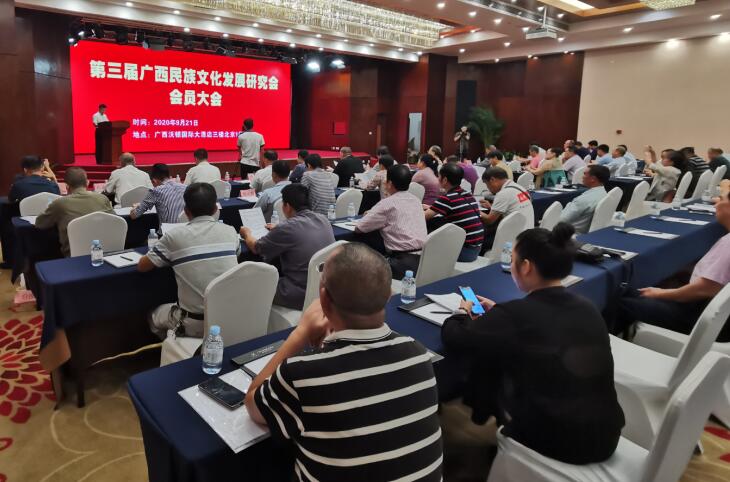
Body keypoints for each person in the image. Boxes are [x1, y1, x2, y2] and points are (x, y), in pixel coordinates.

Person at [244, 243, 443, 481]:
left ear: (323, 299)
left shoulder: (302, 374)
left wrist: (300, 333)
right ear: (389, 294)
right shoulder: (418, 353)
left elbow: (253, 404)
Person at [441, 223, 624, 465]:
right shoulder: (586, 306)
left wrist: (462, 312)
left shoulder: (516, 315)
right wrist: (500, 313)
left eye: (513, 260)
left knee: (489, 362)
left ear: (526, 267)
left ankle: (476, 420)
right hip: (606, 434)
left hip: (559, 441)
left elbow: (456, 338)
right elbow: (540, 327)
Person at [616, 191, 730, 341]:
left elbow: (704, 289)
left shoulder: (727, 244)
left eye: (721, 200)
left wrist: (660, 293)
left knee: (620, 301)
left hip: (700, 316)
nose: (716, 204)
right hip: (716, 315)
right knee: (635, 291)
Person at [138, 183, 240, 338]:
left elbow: (143, 266)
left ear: (185, 211)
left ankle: (175, 345)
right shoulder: (231, 231)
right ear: (215, 209)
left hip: (194, 322)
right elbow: (236, 255)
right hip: (229, 317)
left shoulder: (174, 236)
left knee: (153, 314)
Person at [241, 184, 335, 309]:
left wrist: (247, 234)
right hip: (326, 289)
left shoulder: (287, 228)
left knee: (251, 283)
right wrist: (279, 228)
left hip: (298, 292)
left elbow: (256, 247)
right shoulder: (323, 219)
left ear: (287, 206)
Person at [356, 164, 428, 279]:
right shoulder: (416, 200)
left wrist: (371, 215)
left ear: (389, 183)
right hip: (424, 259)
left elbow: (360, 228)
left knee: (361, 269)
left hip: (401, 263)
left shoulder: (387, 204)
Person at [35, 167, 114, 257]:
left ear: (66, 186)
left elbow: (40, 223)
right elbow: (115, 220)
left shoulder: (60, 203)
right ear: (87, 183)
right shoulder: (102, 199)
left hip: (73, 255)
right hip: (103, 251)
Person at [425, 163, 484, 262]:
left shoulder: (447, 198)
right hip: (476, 249)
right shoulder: (467, 195)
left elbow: (423, 217)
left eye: (439, 176)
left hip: (463, 252)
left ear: (444, 180)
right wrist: (430, 207)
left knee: (430, 227)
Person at [479, 168, 534, 250]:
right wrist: (492, 207)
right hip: (529, 234)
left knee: (481, 241)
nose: (488, 188)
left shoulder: (503, 194)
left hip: (514, 240)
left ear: (492, 180)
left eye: (487, 185)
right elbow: (512, 207)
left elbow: (489, 220)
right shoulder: (520, 188)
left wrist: (474, 209)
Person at [559, 164, 609, 234]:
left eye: (585, 174)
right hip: (590, 233)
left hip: (569, 234)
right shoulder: (605, 194)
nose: (582, 176)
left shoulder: (583, 200)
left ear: (593, 179)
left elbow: (560, 220)